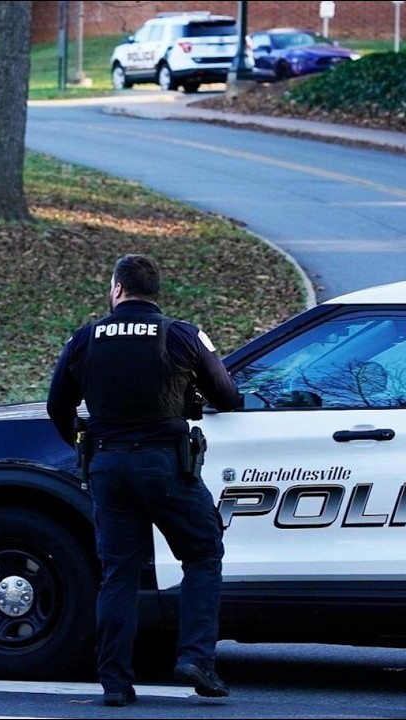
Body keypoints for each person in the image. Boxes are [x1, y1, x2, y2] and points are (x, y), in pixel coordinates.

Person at [46, 253, 240, 707]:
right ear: (155, 291)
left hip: (108, 467)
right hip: (166, 467)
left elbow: (57, 405)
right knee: (202, 554)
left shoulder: (84, 339)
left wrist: (84, 445)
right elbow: (228, 397)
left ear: (117, 288)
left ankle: (115, 682)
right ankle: (196, 658)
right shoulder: (183, 335)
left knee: (119, 573)